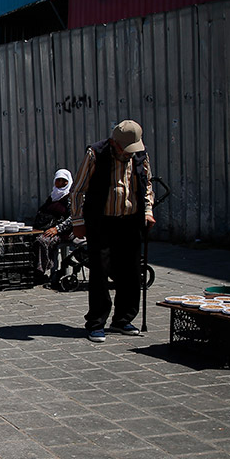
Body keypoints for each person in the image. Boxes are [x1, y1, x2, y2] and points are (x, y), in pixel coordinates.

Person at [70, 119, 156, 343]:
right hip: (102, 221)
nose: (129, 154)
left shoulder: (140, 155)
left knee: (130, 271)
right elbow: (78, 190)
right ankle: (96, 322)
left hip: (130, 221)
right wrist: (78, 221)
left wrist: (147, 210)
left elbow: (147, 186)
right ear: (114, 143)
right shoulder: (96, 153)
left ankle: (123, 319)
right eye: (124, 149)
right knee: (99, 270)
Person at [33, 169, 76, 282]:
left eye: (64, 181)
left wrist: (57, 229)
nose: (61, 183)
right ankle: (34, 270)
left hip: (66, 232)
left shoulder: (70, 197)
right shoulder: (53, 196)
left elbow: (72, 219)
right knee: (29, 239)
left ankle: (42, 270)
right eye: (58, 180)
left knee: (42, 241)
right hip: (49, 228)